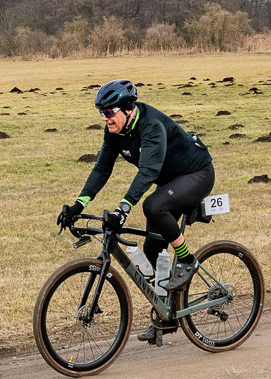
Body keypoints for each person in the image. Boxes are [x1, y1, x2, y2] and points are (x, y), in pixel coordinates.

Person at [57, 78, 214, 297]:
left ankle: (187, 261)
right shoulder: (115, 131)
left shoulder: (152, 126)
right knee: (152, 250)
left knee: (153, 206)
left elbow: (148, 171)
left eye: (109, 112)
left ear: (128, 109)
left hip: (196, 174)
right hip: (170, 181)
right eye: (101, 113)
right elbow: (102, 168)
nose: (104, 118)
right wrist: (79, 204)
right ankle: (168, 310)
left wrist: (123, 209)